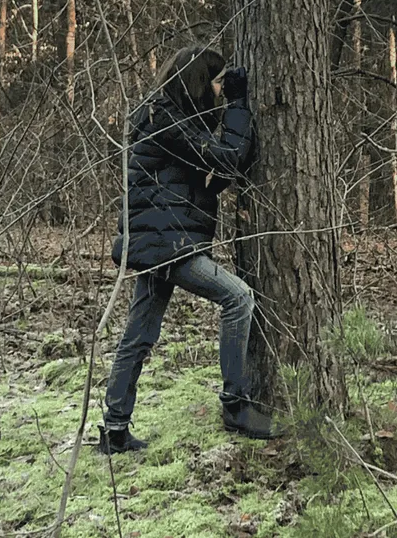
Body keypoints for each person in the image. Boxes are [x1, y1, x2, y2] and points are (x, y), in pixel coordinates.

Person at [98, 46, 276, 455]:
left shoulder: (161, 117)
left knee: (138, 336)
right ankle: (236, 406)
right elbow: (227, 157)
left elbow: (201, 176)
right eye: (215, 84)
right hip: (168, 244)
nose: (217, 93)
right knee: (239, 297)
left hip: (159, 238)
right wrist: (239, 103)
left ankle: (114, 429)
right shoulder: (165, 121)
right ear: (198, 82)